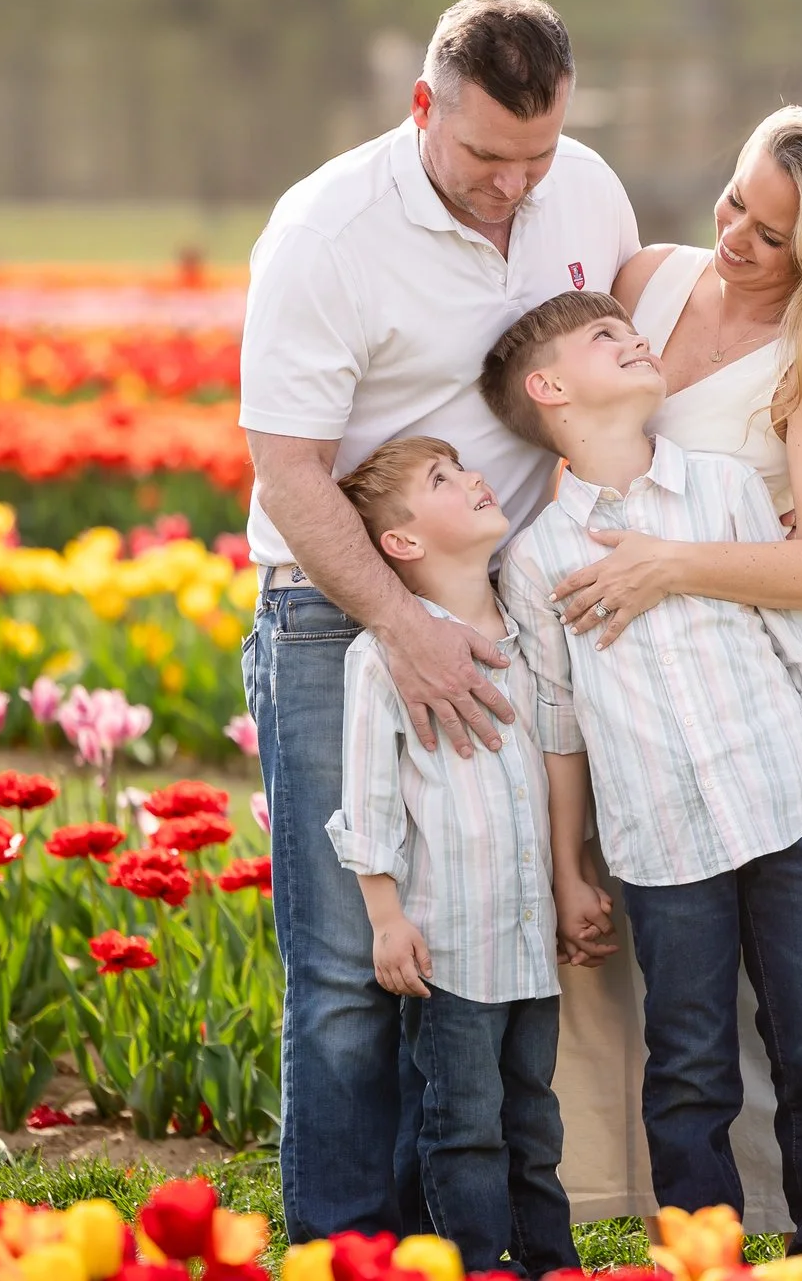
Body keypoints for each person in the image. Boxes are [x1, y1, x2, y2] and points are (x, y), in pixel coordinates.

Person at [238, 0, 637, 1240]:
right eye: (484, 157)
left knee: (472, 945)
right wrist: (398, 626)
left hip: (497, 614)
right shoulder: (327, 231)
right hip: (335, 612)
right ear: (423, 106)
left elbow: (607, 373)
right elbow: (287, 468)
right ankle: (345, 1252)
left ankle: (454, 1243)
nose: (513, 187)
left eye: (537, 156)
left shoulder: (587, 191)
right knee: (347, 968)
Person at [537, 98, 802, 1230]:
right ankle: (672, 1222)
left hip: (745, 723)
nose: (734, 236)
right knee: (678, 1028)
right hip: (635, 728)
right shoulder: (646, 280)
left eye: (771, 233)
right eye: (736, 199)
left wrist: (669, 565)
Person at [487, 290, 802, 1258]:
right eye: (604, 337)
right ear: (548, 389)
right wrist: (569, 867)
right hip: (658, 839)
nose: (634, 336)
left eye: (630, 329)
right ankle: (706, 1256)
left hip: (783, 800)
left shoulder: (723, 488)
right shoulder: (537, 557)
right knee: (688, 1064)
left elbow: (795, 630)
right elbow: (558, 724)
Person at [324, 434, 581, 1278]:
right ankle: (475, 1264)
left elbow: (557, 761)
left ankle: (550, 1262)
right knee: (464, 1124)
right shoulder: (382, 659)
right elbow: (367, 800)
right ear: (402, 541)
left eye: (464, 467)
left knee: (534, 1120)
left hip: (529, 940)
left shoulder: (529, 631)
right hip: (452, 946)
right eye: (443, 477)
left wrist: (570, 881)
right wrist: (385, 918)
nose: (474, 478)